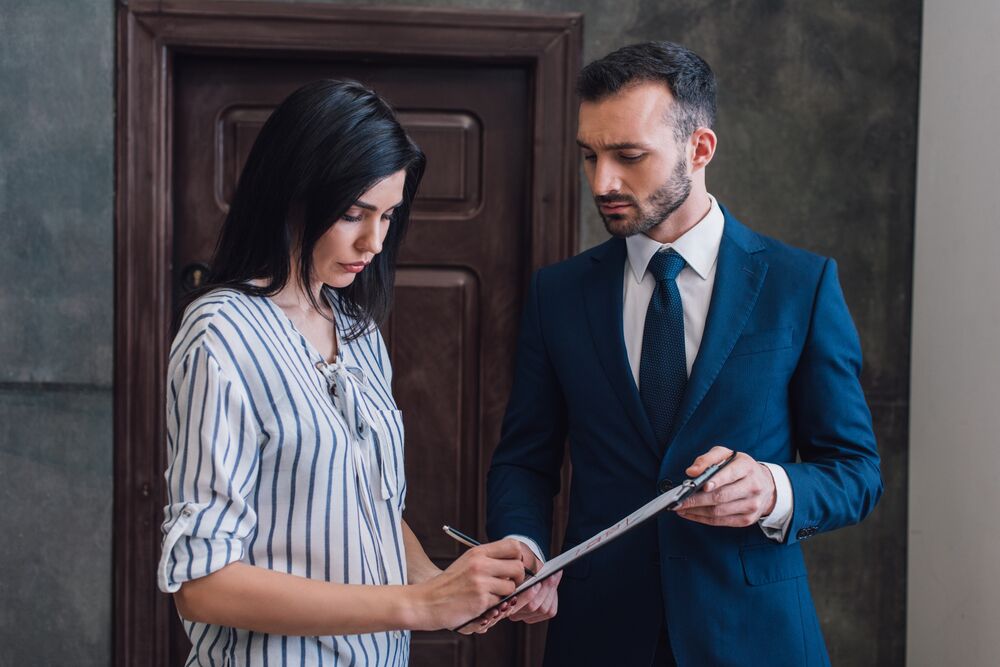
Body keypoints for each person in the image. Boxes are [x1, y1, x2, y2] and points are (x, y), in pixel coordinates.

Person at [488, 42, 882, 666]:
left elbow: (857, 471)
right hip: (598, 636)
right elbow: (523, 461)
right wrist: (523, 544)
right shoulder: (558, 294)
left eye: (629, 156)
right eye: (589, 155)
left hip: (757, 637)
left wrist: (772, 488)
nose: (602, 182)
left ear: (700, 149)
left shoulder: (800, 286)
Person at [157, 79, 526, 666]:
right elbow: (203, 585)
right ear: (292, 196)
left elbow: (366, 508)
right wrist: (417, 606)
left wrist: (448, 587)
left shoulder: (358, 332)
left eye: (388, 216)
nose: (374, 241)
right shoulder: (220, 333)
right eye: (353, 214)